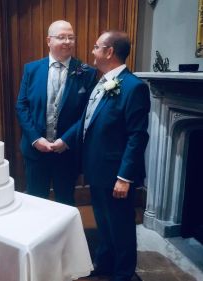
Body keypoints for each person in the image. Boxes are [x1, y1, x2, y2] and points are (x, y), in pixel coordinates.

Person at [60, 30, 150, 281]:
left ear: (109, 52)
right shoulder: (101, 83)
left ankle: (123, 274)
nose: (92, 52)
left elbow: (137, 136)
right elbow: (87, 121)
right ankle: (105, 264)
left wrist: (125, 177)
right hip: (96, 169)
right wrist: (64, 142)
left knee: (121, 227)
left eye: (96, 47)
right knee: (103, 221)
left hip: (116, 173)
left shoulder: (134, 88)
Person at [15, 20, 97, 205]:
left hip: (66, 153)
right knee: (36, 202)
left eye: (71, 37)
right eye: (61, 37)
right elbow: (22, 106)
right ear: (48, 41)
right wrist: (36, 139)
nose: (67, 41)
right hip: (35, 151)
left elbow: (88, 113)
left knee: (65, 202)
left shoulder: (86, 73)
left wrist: (66, 140)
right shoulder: (32, 69)